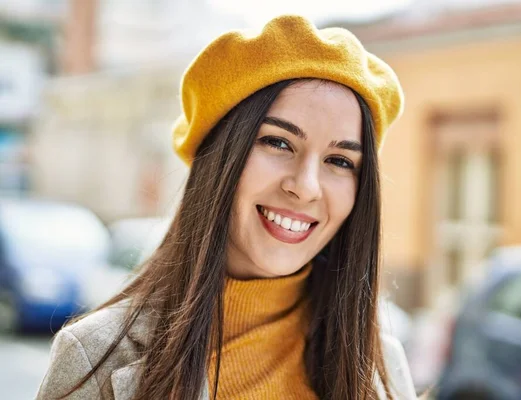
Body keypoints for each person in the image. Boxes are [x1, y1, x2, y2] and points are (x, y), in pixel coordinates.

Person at [36, 15, 417, 400]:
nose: (305, 187)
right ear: (219, 158)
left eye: (340, 161)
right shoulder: (95, 358)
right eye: (279, 143)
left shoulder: (380, 364)